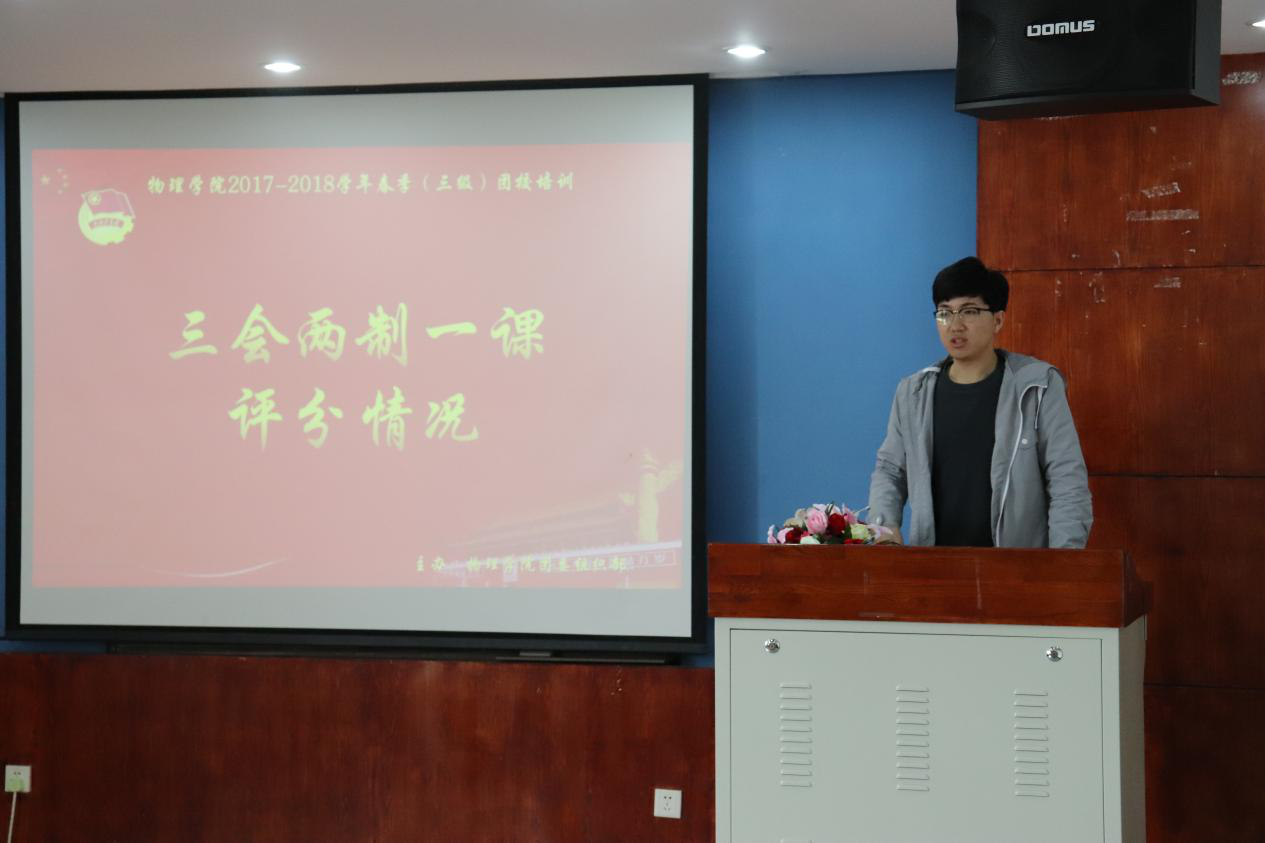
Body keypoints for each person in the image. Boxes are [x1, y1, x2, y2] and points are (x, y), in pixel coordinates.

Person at [867, 256, 1091, 548]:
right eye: (944, 313)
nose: (955, 325)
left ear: (998, 320)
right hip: (932, 565)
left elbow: (1067, 479)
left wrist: (1065, 560)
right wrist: (883, 530)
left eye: (969, 311)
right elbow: (890, 470)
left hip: (1016, 566)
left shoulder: (1037, 386)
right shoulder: (913, 393)